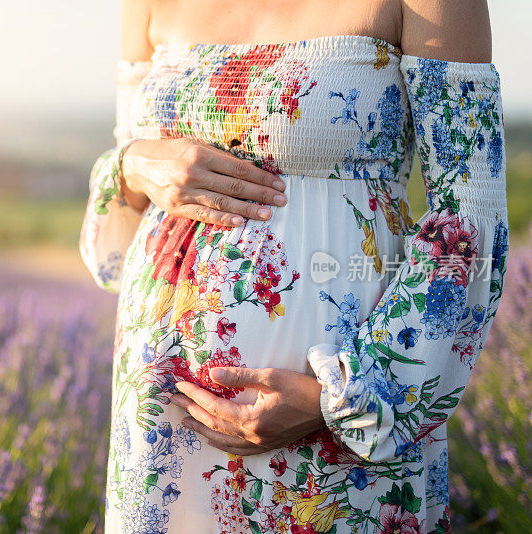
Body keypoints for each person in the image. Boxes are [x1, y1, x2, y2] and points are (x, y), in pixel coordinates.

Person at [79, 0, 509, 531]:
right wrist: (135, 164)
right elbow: (130, 159)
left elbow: (469, 218)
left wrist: (347, 402)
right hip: (165, 418)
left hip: (338, 428)